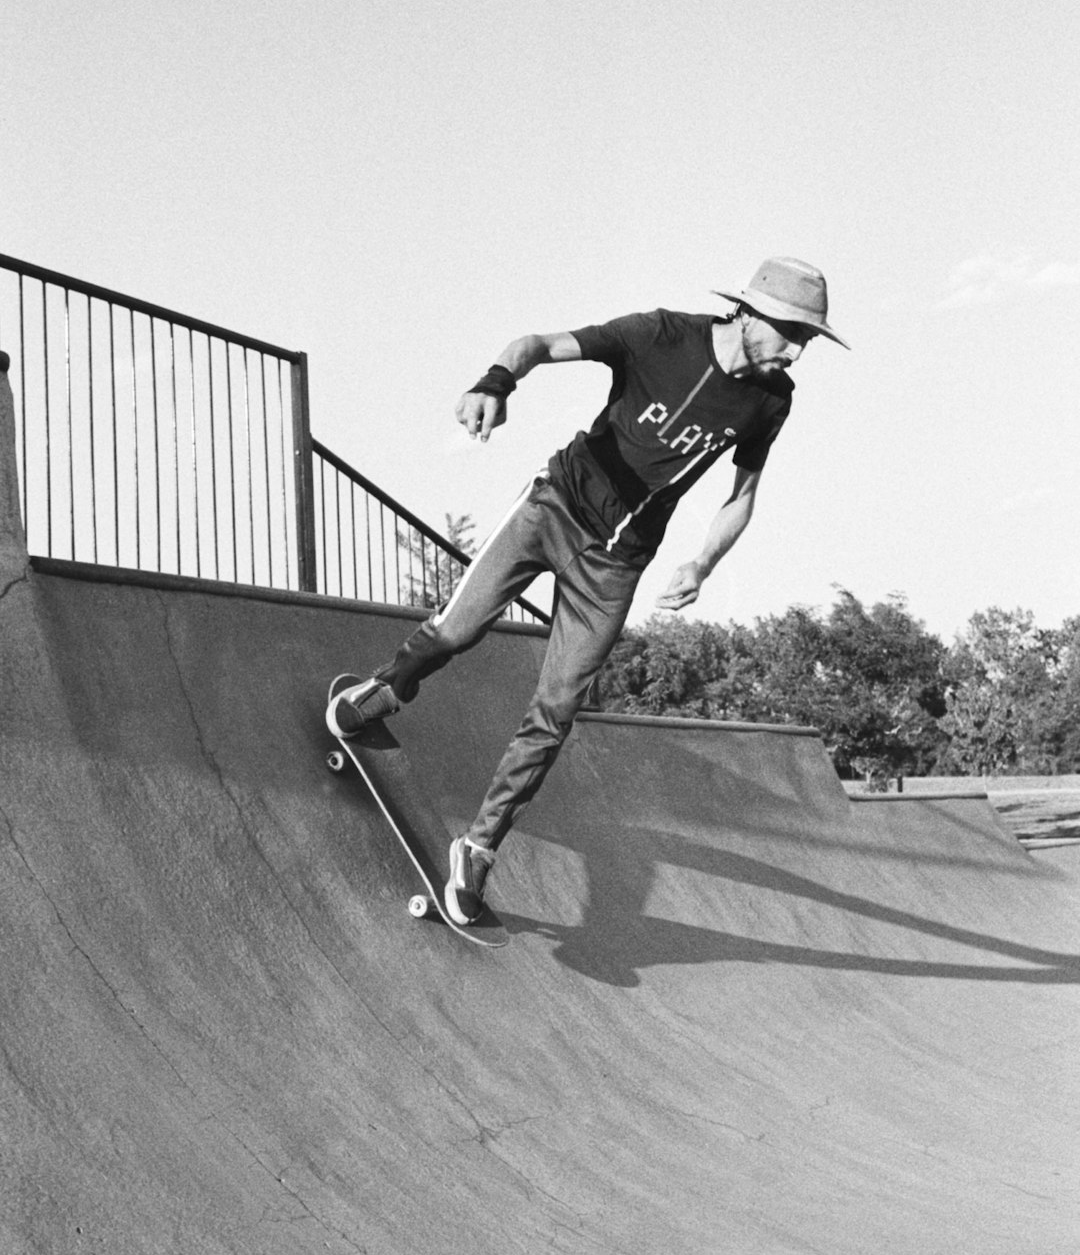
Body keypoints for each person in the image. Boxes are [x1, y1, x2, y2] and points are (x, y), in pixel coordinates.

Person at [327, 256, 849, 925]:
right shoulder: (659, 335)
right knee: (456, 630)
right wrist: (496, 381)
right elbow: (538, 346)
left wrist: (703, 562)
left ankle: (479, 847)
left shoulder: (771, 400)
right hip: (551, 510)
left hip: (615, 565)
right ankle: (388, 688)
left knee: (557, 711)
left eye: (807, 340)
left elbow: (741, 496)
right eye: (792, 334)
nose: (797, 353)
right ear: (750, 316)